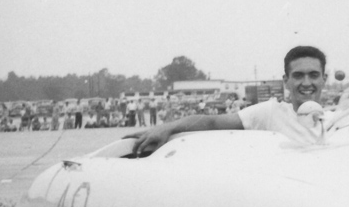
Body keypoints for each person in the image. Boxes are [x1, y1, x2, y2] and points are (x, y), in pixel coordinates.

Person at [132, 46, 328, 155]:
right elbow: (211, 121)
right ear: (286, 81)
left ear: (323, 79)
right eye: (298, 76)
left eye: (313, 75)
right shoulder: (270, 112)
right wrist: (168, 127)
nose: (306, 83)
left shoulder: (338, 121)